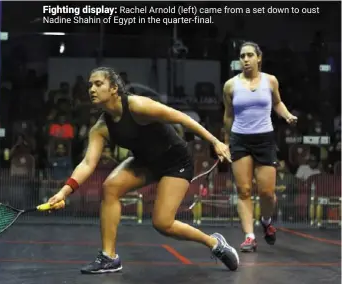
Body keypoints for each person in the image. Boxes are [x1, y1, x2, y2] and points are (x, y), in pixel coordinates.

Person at [48, 67, 240, 273]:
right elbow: (87, 163)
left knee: (162, 223)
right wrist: (63, 192)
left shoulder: (138, 106)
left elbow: (180, 118)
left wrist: (215, 141)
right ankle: (109, 257)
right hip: (145, 162)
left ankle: (214, 243)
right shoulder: (101, 128)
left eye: (98, 84)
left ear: (114, 88)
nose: (91, 89)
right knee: (110, 187)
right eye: (89, 85)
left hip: (175, 161)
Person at [222, 41, 297, 252]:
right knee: (244, 190)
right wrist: (226, 143)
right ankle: (249, 236)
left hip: (264, 139)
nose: (245, 59)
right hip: (240, 140)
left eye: (249, 55)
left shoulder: (270, 81)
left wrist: (288, 116)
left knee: (267, 193)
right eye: (242, 56)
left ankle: (265, 221)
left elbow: (277, 103)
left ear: (258, 58)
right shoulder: (230, 85)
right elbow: (228, 116)